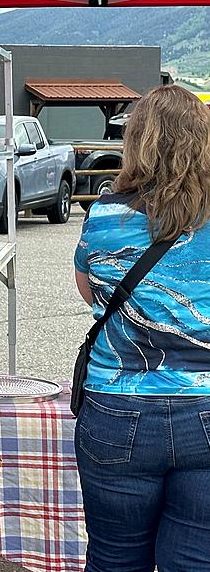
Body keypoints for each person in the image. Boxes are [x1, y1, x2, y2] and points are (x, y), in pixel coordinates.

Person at [73, 85, 210, 572]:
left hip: (117, 409)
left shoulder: (105, 216)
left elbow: (91, 294)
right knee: (196, 560)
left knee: (114, 558)